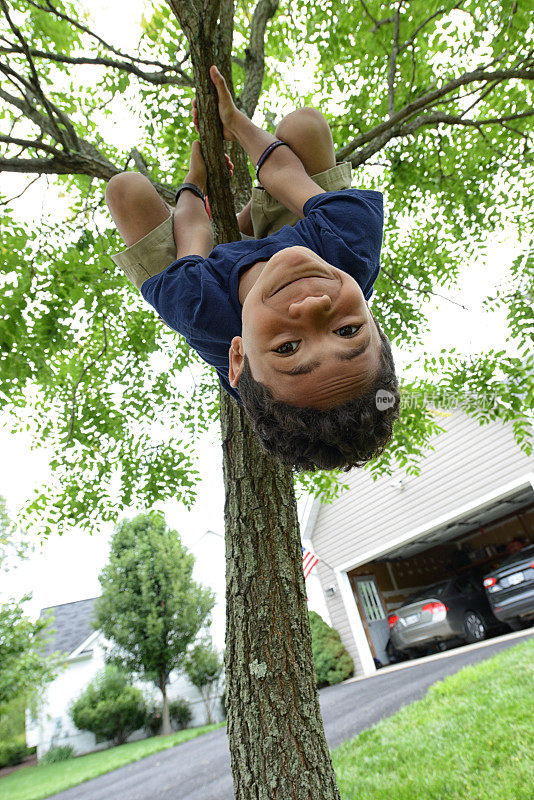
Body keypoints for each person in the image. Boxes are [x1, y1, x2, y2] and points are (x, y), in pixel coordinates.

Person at [106, 65, 400, 471]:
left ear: (239, 356)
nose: (313, 305)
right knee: (305, 125)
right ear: (374, 323)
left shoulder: (196, 305)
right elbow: (284, 171)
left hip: (219, 275)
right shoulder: (351, 246)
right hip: (299, 243)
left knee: (126, 190)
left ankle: (241, 234)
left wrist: (198, 181)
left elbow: (195, 233)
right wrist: (234, 123)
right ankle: (250, 225)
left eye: (288, 348)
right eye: (348, 331)